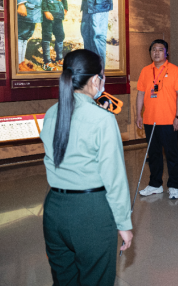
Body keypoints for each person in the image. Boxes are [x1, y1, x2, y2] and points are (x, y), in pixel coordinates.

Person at [40, 49, 132, 285]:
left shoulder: (51, 113)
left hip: (54, 210)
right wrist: (123, 223)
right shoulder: (102, 118)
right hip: (91, 213)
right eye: (102, 77)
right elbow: (114, 177)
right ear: (94, 80)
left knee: (64, 280)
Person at [136, 39, 178, 199]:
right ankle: (155, 184)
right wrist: (138, 114)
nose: (156, 52)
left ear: (166, 53)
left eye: (160, 49)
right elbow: (140, 93)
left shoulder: (175, 70)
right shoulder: (145, 71)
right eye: (153, 49)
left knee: (172, 155)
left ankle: (173, 185)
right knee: (154, 155)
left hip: (169, 121)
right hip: (150, 120)